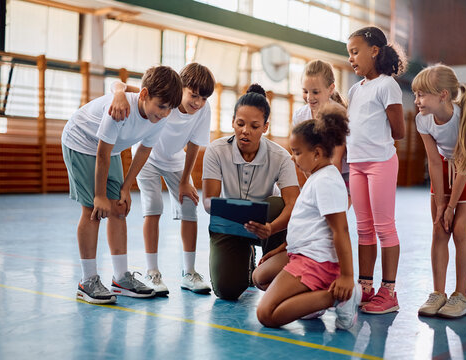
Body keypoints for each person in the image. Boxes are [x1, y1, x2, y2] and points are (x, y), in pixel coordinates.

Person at [61, 66, 183, 304]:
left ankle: (120, 278)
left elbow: (143, 151)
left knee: (118, 207)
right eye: (162, 106)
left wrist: (126, 187)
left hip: (110, 148)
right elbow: (102, 155)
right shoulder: (120, 110)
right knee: (93, 210)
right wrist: (98, 195)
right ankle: (87, 281)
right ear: (145, 94)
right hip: (81, 142)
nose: (165, 113)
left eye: (170, 109)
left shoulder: (158, 116)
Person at [108, 63, 215, 296]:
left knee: (189, 206)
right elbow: (122, 85)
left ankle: (189, 273)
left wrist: (186, 180)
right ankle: (152, 272)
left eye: (203, 98)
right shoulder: (169, 98)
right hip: (148, 156)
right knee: (153, 207)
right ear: (181, 89)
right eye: (193, 95)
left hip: (176, 159)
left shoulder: (203, 111)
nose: (197, 102)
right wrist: (118, 94)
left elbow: (195, 144)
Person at [255, 103, 361, 330]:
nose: (293, 158)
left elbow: (340, 231)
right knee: (260, 277)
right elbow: (309, 225)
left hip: (316, 261)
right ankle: (311, 304)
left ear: (317, 153)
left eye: (297, 152)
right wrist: (283, 248)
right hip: (300, 253)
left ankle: (338, 297)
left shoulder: (326, 182)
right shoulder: (316, 175)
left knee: (266, 315)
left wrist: (347, 277)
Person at [202, 84, 300, 300]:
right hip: (230, 224)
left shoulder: (281, 157)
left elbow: (293, 203)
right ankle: (245, 255)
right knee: (226, 291)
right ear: (233, 123)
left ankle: (268, 265)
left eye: (254, 126)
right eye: (240, 124)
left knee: (277, 204)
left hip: (268, 227)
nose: (245, 130)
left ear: (265, 127)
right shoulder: (216, 151)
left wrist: (270, 228)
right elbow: (209, 201)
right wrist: (230, 211)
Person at [413, 64, 466, 318]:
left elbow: (465, 167)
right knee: (439, 228)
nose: (416, 100)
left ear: (443, 95)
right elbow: (433, 161)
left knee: (460, 229)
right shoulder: (422, 119)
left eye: (422, 94)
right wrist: (441, 205)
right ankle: (438, 293)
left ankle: (460, 296)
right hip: (443, 166)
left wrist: (451, 206)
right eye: (415, 94)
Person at [346, 26, 407, 314]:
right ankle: (366, 286)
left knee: (384, 227)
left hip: (380, 163)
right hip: (356, 165)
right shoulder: (354, 90)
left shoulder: (387, 85)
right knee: (363, 229)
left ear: (374, 51)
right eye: (349, 54)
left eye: (355, 52)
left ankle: (390, 291)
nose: (351, 59)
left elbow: (400, 131)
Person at [293, 59, 351, 199]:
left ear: (331, 89)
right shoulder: (300, 115)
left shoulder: (337, 114)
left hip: (342, 174)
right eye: (305, 91)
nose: (309, 97)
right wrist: (313, 183)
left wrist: (329, 191)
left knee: (333, 217)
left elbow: (335, 160)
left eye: (315, 92)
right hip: (314, 171)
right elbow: (300, 157)